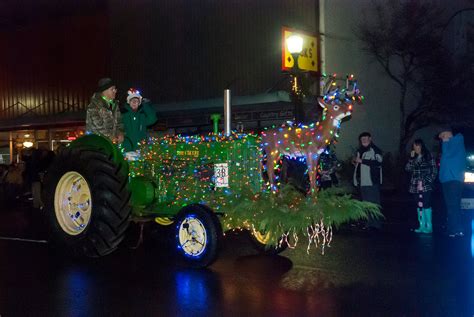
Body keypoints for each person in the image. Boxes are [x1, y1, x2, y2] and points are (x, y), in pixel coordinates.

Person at [438, 126, 466, 238]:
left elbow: (447, 154)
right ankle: (455, 229)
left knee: (452, 205)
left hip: (453, 179)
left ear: (448, 133)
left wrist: (445, 142)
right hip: (450, 178)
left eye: (442, 135)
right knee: (452, 205)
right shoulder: (455, 143)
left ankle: (455, 229)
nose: (442, 138)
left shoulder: (456, 141)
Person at [405, 139, 437, 234]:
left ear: (422, 146)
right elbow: (407, 168)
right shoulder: (413, 157)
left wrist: (426, 181)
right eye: (414, 147)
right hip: (415, 184)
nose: (416, 148)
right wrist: (411, 159)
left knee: (426, 203)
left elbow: (434, 170)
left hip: (425, 184)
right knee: (418, 205)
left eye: (418, 146)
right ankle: (421, 225)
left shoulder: (428, 156)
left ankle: (429, 226)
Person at [353, 132, 383, 229]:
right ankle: (369, 223)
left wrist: (362, 161)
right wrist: (355, 163)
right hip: (363, 181)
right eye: (362, 139)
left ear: (370, 139)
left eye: (365, 139)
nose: (364, 141)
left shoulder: (375, 150)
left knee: (374, 203)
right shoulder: (360, 151)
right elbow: (359, 165)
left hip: (372, 181)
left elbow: (378, 162)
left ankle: (376, 224)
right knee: (366, 203)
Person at [86, 78, 124, 143]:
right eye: (112, 89)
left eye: (115, 89)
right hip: (96, 144)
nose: (115, 91)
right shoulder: (94, 106)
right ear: (104, 91)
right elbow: (98, 127)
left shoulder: (114, 105)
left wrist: (120, 133)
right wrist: (111, 137)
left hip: (110, 144)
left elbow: (119, 122)